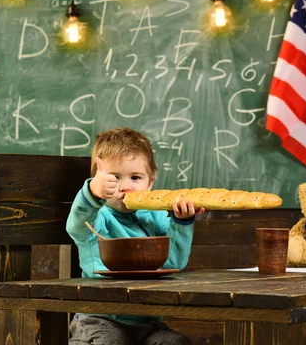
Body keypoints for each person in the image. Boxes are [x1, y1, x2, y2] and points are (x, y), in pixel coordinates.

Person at [66, 127, 204, 345]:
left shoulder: (155, 218)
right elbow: (77, 224)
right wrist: (93, 192)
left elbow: (173, 262)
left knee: (174, 342)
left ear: (150, 183)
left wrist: (182, 222)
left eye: (136, 177)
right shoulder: (97, 217)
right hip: (100, 317)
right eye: (114, 178)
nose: (126, 186)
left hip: (146, 321)